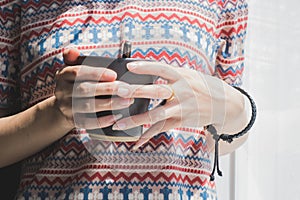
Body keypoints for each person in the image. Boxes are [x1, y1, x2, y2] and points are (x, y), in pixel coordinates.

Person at [0, 0, 252, 199]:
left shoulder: (225, 3)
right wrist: (58, 113)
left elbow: (223, 139)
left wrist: (235, 107)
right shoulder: (18, 4)